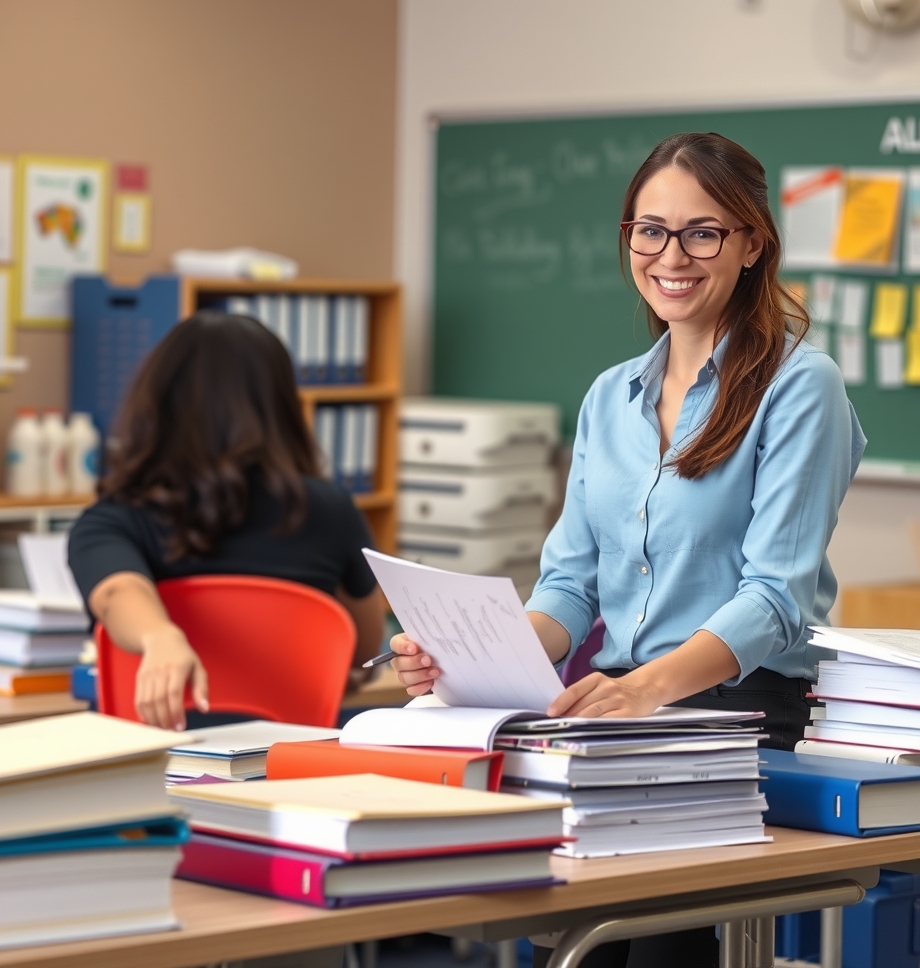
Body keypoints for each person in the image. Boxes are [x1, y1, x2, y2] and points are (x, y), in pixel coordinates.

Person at [388, 132, 866, 968]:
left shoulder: (801, 385)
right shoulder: (611, 395)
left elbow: (775, 597)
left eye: (703, 232)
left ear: (753, 243)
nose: (670, 255)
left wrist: (642, 690)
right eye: (649, 230)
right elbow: (570, 587)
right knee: (562, 935)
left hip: (734, 710)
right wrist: (470, 655)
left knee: (647, 943)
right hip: (621, 714)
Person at [68, 310, 385, 731]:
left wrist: (159, 637)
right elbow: (363, 651)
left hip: (149, 767)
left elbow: (117, 591)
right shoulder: (330, 509)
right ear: (280, 405)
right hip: (289, 764)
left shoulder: (115, 516)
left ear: (157, 403)